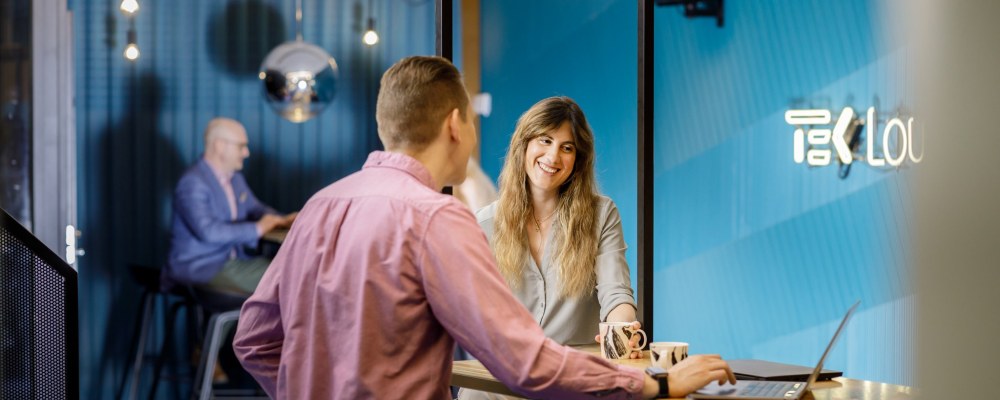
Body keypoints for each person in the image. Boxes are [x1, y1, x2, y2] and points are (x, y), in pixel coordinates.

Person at [232, 56, 735, 399]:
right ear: (455, 125)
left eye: (566, 148)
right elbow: (524, 361)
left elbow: (253, 338)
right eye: (472, 120)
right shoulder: (439, 219)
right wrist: (657, 386)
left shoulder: (320, 205)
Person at [164, 117, 296, 295]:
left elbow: (255, 209)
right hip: (201, 267)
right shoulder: (193, 182)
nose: (246, 153)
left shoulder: (235, 178)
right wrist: (259, 228)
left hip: (233, 262)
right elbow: (209, 232)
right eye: (241, 146)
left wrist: (280, 220)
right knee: (291, 278)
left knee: (294, 270)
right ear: (219, 146)